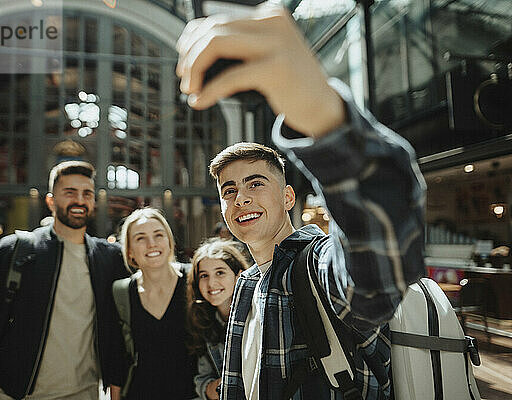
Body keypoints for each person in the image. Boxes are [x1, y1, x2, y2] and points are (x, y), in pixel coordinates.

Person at [176, 4, 426, 400]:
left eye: (256, 184)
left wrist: (323, 116)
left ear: (288, 196)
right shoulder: (247, 283)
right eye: (229, 190)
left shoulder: (318, 266)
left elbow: (381, 260)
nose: (240, 197)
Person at [0, 160, 129, 400]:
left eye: (87, 193)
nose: (80, 201)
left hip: (82, 393)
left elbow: (120, 330)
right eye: (70, 193)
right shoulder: (15, 251)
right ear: (51, 201)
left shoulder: (108, 259)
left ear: (94, 201)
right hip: (13, 394)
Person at [109, 208, 197, 400]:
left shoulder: (194, 280)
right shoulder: (122, 292)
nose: (151, 244)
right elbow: (117, 359)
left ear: (169, 241)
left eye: (159, 235)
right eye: (140, 238)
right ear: (130, 251)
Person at [186, 239, 249, 400]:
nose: (211, 283)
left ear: (239, 275)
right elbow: (202, 379)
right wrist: (212, 388)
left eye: (220, 272)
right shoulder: (206, 321)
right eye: (204, 276)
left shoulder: (256, 316)